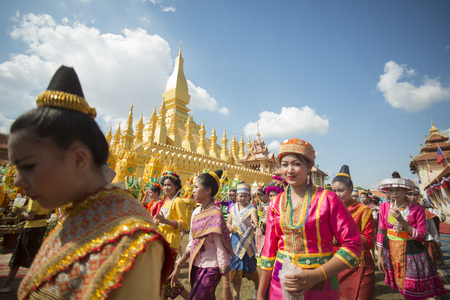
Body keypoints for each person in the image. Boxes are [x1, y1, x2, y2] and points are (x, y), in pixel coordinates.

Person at [8, 66, 173, 299]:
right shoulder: (73, 218)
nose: (18, 180)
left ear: (79, 159)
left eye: (29, 166)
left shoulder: (131, 240)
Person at [257, 138, 363, 300]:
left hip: (321, 283)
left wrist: (315, 276)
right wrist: (260, 295)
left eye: (296, 164)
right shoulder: (275, 203)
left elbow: (353, 245)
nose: (290, 170)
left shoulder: (328, 200)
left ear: (309, 166)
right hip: (281, 284)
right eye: (285, 164)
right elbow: (268, 253)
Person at [377, 171, 446, 299]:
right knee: (400, 284)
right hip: (390, 249)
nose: (394, 193)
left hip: (410, 250)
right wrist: (380, 255)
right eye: (391, 190)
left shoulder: (417, 209)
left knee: (412, 287)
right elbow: (381, 231)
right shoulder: (384, 207)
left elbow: (421, 236)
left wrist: (403, 222)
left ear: (405, 190)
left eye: (398, 190)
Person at [169, 170, 233, 300]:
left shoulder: (215, 214)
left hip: (212, 267)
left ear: (208, 190)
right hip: (196, 264)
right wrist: (179, 265)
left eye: (196, 187)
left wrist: (226, 284)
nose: (193, 190)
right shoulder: (196, 212)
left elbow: (221, 248)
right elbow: (193, 242)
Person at [331, 165, 375, 299]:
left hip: (359, 265)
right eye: (334, 191)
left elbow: (369, 242)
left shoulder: (363, 211)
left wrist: (347, 233)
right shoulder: (330, 210)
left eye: (341, 190)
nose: (337, 194)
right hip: (335, 264)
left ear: (351, 189)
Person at [0, 198, 49, 294]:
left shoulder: (34, 198)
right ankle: (7, 284)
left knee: (20, 255)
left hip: (31, 229)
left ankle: (7, 285)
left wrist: (21, 211)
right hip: (42, 227)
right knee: (32, 256)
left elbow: (30, 216)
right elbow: (48, 215)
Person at [154, 170, 190, 299]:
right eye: (164, 185)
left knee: (167, 277)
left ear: (176, 186)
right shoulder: (166, 201)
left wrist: (166, 221)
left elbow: (184, 223)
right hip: (163, 239)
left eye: (169, 185)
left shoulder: (178, 201)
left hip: (172, 241)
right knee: (163, 277)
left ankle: (189, 297)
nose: (166, 187)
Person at [227, 183, 259, 300]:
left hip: (247, 243)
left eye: (245, 196)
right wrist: (229, 226)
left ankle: (257, 287)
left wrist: (254, 222)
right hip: (235, 242)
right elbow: (228, 221)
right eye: (240, 196)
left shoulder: (251, 208)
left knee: (251, 270)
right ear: (236, 197)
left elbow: (254, 218)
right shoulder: (233, 207)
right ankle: (236, 296)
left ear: (249, 197)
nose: (242, 198)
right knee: (235, 270)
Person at [407, 187, 444, 266]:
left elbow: (433, 230)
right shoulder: (402, 212)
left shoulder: (425, 213)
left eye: (415, 195)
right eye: (410, 194)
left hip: (425, 243)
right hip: (409, 244)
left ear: (418, 196)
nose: (412, 197)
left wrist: (438, 248)